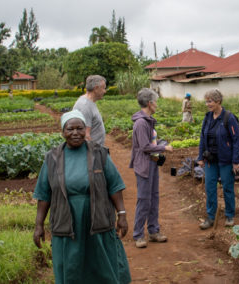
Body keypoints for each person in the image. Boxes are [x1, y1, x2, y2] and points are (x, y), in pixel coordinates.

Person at [33, 110, 130, 284]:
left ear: (86, 130)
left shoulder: (99, 154)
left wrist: (122, 214)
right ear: (63, 131)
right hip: (66, 218)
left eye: (80, 128)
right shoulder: (52, 158)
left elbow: (115, 186)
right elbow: (44, 195)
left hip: (97, 216)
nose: (75, 133)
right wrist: (39, 225)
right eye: (70, 129)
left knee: (101, 261)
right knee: (71, 262)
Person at [130, 88, 173, 248]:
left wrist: (160, 143)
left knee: (154, 198)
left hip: (152, 164)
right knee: (144, 200)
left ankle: (154, 231)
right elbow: (144, 147)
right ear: (149, 103)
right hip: (144, 166)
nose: (157, 104)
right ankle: (138, 235)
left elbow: (150, 143)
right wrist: (164, 148)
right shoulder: (141, 123)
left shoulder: (149, 119)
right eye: (155, 101)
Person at [197, 89, 239, 229]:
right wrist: (200, 157)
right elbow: (202, 138)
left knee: (227, 188)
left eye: (210, 101)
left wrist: (235, 161)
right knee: (210, 188)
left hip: (226, 160)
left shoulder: (229, 117)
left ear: (218, 101)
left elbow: (236, 140)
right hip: (211, 159)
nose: (207, 104)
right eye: (206, 101)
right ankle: (210, 217)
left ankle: (229, 216)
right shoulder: (208, 117)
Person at [73, 75, 107, 146]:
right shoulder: (85, 106)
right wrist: (94, 151)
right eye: (103, 88)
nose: (105, 91)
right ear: (96, 88)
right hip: (91, 153)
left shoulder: (90, 103)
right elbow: (85, 135)